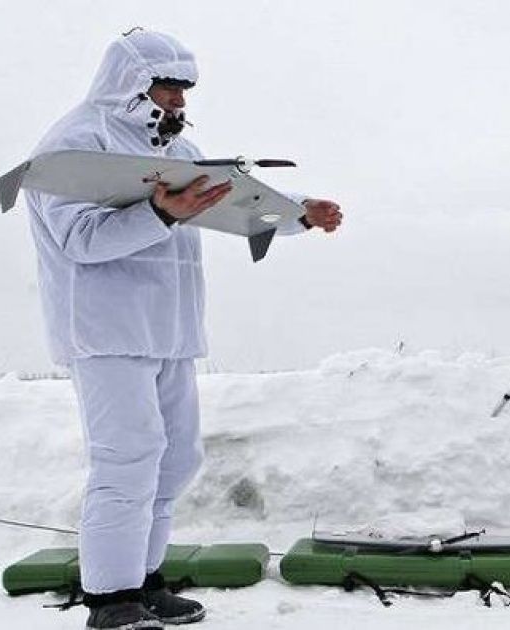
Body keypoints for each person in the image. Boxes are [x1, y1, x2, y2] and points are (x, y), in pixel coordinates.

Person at [23, 29, 343, 630]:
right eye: (166, 87)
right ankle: (110, 599)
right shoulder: (74, 143)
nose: (176, 100)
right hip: (107, 329)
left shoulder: (174, 145)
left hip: (168, 328)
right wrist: (159, 212)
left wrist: (299, 210)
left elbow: (228, 200)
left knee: (175, 462)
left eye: (182, 89)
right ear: (130, 83)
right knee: (128, 459)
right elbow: (80, 239)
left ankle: (143, 583)